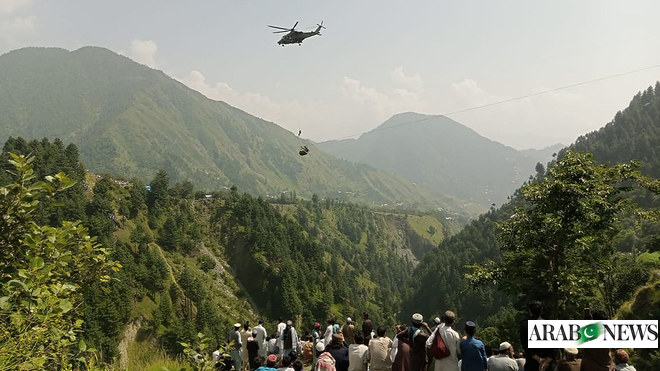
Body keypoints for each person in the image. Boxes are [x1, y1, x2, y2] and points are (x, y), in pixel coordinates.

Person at [519, 301, 554, 371]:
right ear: (541, 311)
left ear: (530, 311)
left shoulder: (525, 326)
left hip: (532, 364)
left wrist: (539, 359)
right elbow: (554, 348)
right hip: (549, 365)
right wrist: (547, 360)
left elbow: (526, 346)